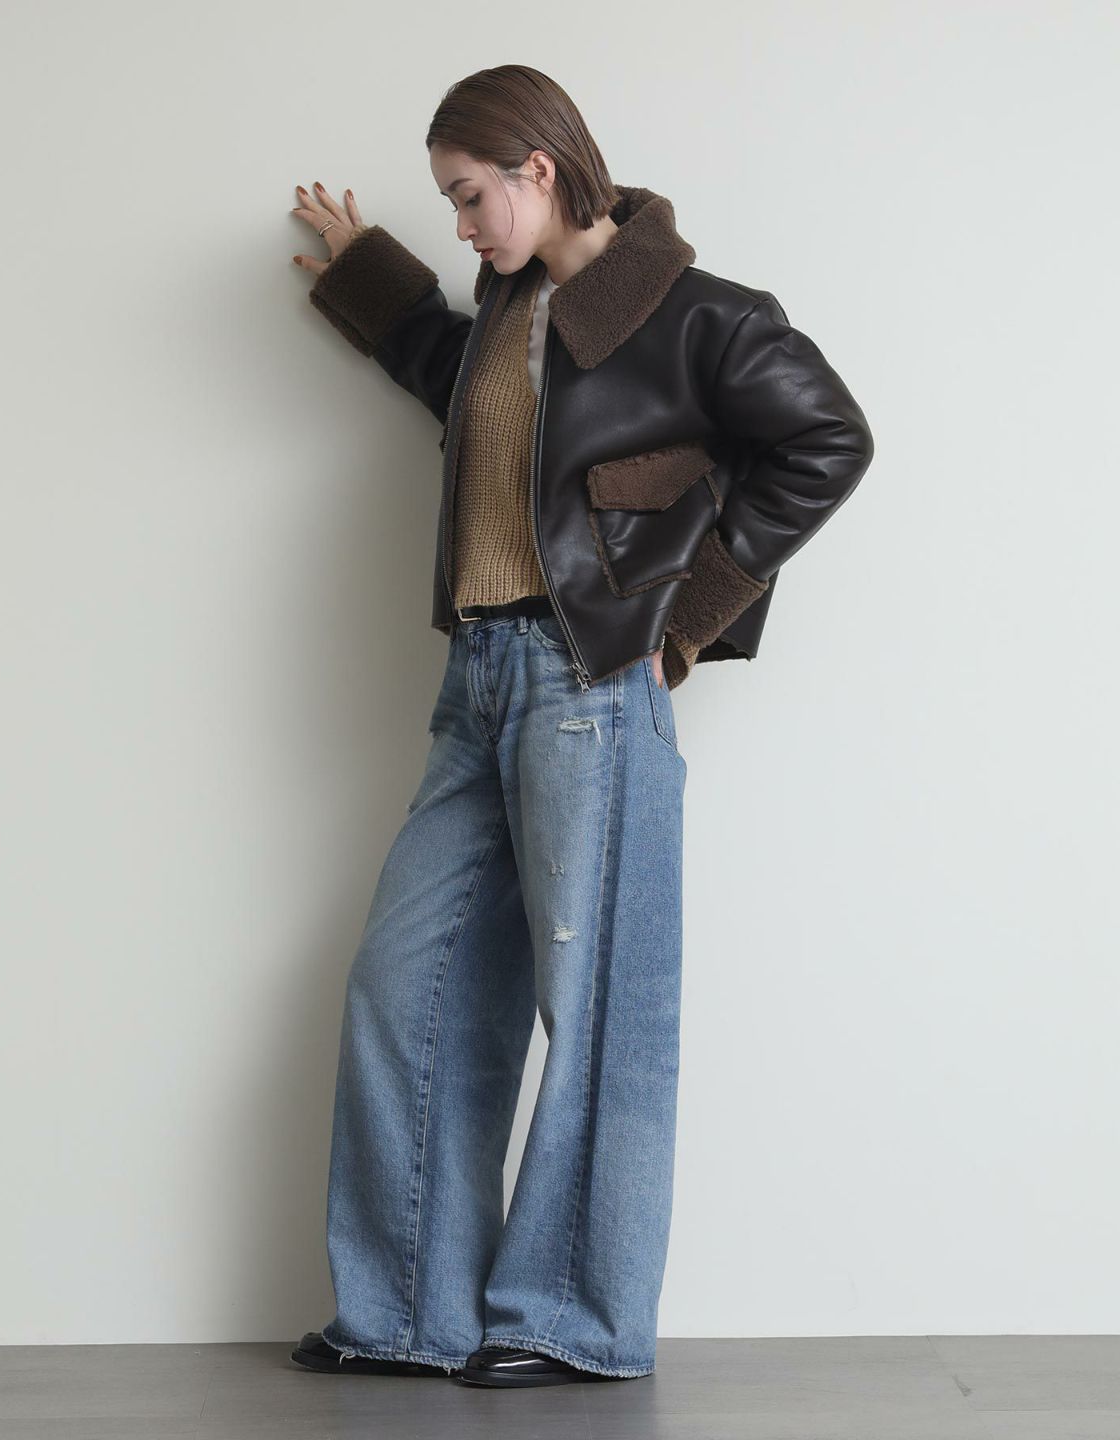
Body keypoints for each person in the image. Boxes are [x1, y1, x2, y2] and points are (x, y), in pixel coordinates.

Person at [286, 66, 875, 1389]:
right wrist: (369, 274)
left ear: (540, 169)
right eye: (449, 203)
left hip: (590, 684)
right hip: (478, 685)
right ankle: (412, 1312)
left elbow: (830, 440)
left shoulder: (702, 316)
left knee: (600, 1010)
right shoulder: (510, 315)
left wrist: (688, 616)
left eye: (469, 196)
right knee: (405, 983)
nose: (461, 224)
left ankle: (572, 1317)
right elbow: (452, 379)